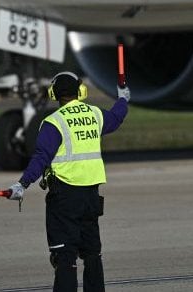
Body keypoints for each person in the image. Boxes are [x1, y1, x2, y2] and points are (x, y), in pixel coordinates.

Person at [8, 71, 130, 292]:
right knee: (93, 254)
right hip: (91, 196)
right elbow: (116, 118)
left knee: (65, 256)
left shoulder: (54, 122)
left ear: (54, 93)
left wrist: (22, 184)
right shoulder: (94, 114)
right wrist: (123, 99)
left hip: (65, 197)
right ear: (80, 92)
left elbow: (41, 157)